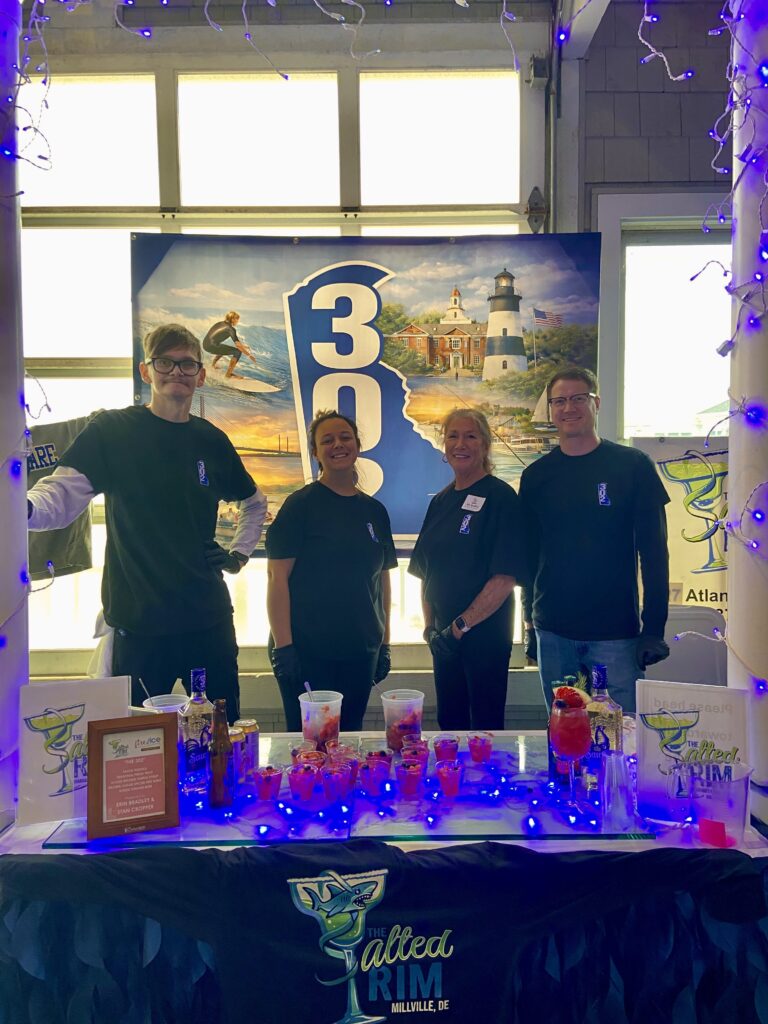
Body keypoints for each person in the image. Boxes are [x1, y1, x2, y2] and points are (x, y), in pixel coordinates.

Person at [27, 324, 267, 722]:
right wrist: (23, 512)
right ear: (146, 371)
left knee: (219, 736)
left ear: (201, 376)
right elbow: (62, 494)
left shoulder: (211, 440)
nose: (176, 372)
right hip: (138, 625)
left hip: (205, 621)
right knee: (134, 743)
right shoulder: (113, 431)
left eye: (187, 364)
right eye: (165, 362)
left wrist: (238, 555)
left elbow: (254, 503)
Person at [519, 367, 670, 714]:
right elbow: (528, 559)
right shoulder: (536, 477)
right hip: (553, 632)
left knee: (620, 742)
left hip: (615, 635)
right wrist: (529, 625)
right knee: (565, 739)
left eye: (577, 398)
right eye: (559, 401)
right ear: (551, 410)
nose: (568, 408)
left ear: (596, 403)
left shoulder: (632, 466)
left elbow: (654, 554)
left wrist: (654, 629)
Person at [265, 410, 396, 732]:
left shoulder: (374, 511)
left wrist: (384, 642)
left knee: (350, 739)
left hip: (360, 650)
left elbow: (383, 579)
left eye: (345, 437)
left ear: (357, 445)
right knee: (311, 744)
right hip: (307, 652)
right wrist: (285, 648)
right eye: (327, 440)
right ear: (315, 453)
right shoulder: (300, 506)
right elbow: (276, 578)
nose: (338, 445)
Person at [408, 408, 527, 730]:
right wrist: (431, 628)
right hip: (444, 639)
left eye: (470, 436)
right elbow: (425, 572)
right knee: (450, 723)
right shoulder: (441, 501)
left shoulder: (501, 497)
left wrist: (460, 626)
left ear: (485, 445)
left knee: (484, 727)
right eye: (453, 436)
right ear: (444, 445)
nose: (461, 443)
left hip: (483, 635)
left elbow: (504, 577)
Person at [202, 311, 256, 380]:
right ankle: (228, 375)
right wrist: (249, 355)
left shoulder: (220, 323)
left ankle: (212, 365)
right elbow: (238, 346)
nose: (237, 321)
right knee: (238, 352)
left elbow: (237, 342)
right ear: (232, 319)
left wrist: (243, 346)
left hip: (205, 345)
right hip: (212, 346)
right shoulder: (231, 329)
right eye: (237, 319)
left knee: (222, 347)